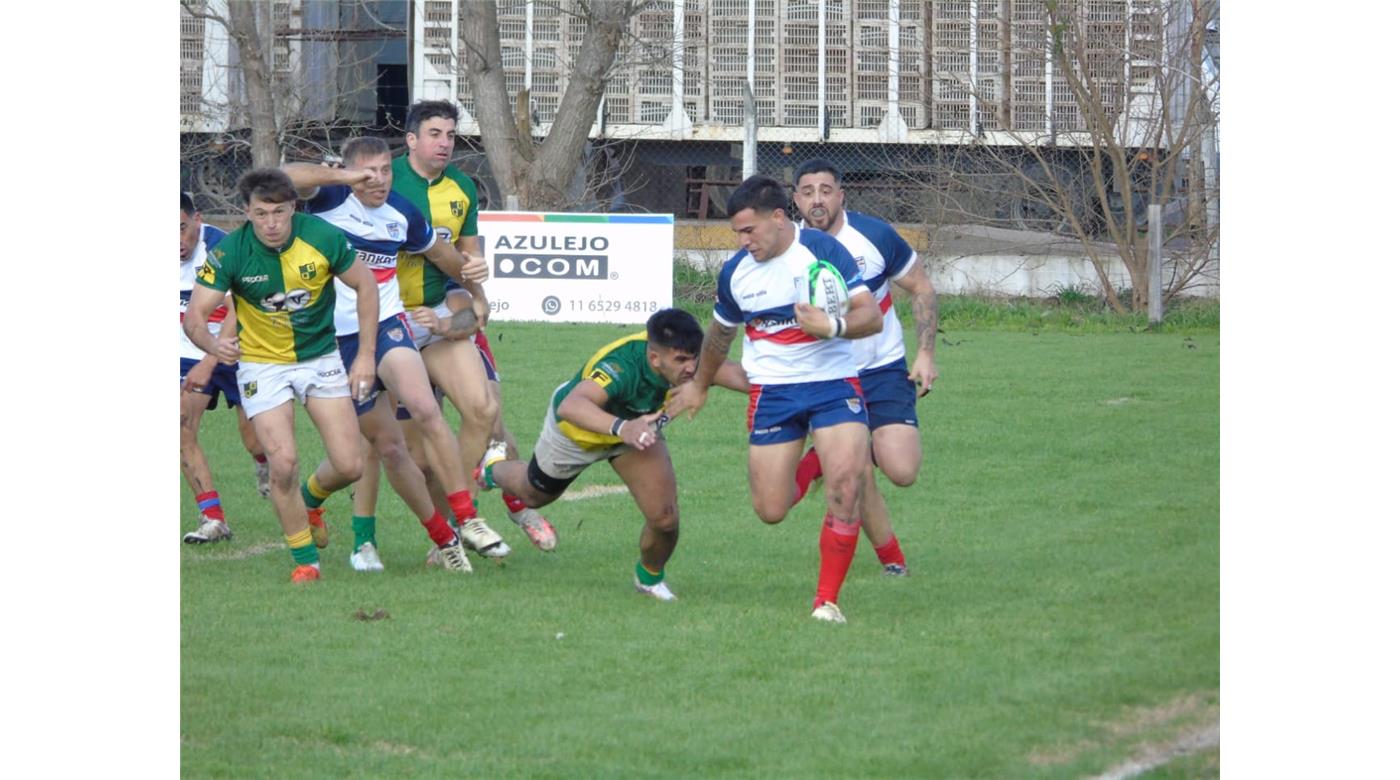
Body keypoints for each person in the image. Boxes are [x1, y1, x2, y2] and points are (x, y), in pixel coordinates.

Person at [666, 175, 883, 624]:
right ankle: (818, 460)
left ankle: (826, 601)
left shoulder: (822, 252)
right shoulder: (736, 274)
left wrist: (832, 327)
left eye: (750, 230)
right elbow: (720, 338)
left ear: (780, 218)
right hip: (773, 394)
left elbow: (870, 316)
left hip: (833, 383)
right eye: (737, 234)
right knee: (771, 509)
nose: (744, 241)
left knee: (847, 488)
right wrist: (700, 385)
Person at [281, 136, 501, 571]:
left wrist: (476, 282)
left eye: (384, 170)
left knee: (425, 408)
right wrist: (344, 177)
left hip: (386, 325)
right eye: (369, 171)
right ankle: (321, 505)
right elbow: (285, 176)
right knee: (383, 449)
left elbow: (443, 257)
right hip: (333, 341)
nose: (378, 180)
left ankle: (465, 520)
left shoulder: (403, 213)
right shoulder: (328, 199)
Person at [183, 168, 379, 583]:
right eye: (261, 214)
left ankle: (311, 500)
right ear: (246, 212)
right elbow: (195, 317)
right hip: (261, 364)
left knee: (350, 465)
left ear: (294, 207)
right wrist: (213, 345)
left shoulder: (322, 237)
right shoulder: (230, 252)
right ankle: (306, 560)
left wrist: (364, 355)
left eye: (279, 212)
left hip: (320, 356)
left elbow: (366, 286)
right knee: (283, 463)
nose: (271, 223)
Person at [476, 309, 748, 600]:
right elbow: (572, 405)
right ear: (654, 358)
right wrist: (622, 427)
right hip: (578, 430)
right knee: (534, 496)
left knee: (665, 518)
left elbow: (747, 379)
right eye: (681, 360)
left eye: (695, 357)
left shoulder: (696, 364)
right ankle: (490, 469)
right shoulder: (622, 365)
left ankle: (649, 579)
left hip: (635, 434)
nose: (692, 368)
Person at [385, 98, 557, 554]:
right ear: (411, 140)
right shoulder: (386, 181)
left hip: (444, 315)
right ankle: (434, 529)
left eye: (450, 135)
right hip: (391, 325)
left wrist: (477, 287)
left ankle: (487, 515)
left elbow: (469, 259)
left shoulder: (461, 186)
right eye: (435, 134)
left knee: (489, 416)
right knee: (416, 456)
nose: (445, 143)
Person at [789, 158, 940, 576]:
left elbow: (922, 287)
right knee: (856, 469)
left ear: (841, 195)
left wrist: (926, 352)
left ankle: (827, 453)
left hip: (883, 368)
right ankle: (893, 561)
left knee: (903, 470)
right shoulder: (789, 248)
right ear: (796, 199)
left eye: (825, 190)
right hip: (827, 378)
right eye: (807, 192)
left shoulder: (873, 236)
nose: (817, 200)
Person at [179, 192, 270, 544]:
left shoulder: (222, 249)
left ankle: (264, 461)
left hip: (235, 347)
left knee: (254, 438)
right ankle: (213, 518)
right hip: (186, 351)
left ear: (197, 219)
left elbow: (238, 310)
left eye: (181, 228)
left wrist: (211, 358)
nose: (177, 240)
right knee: (180, 425)